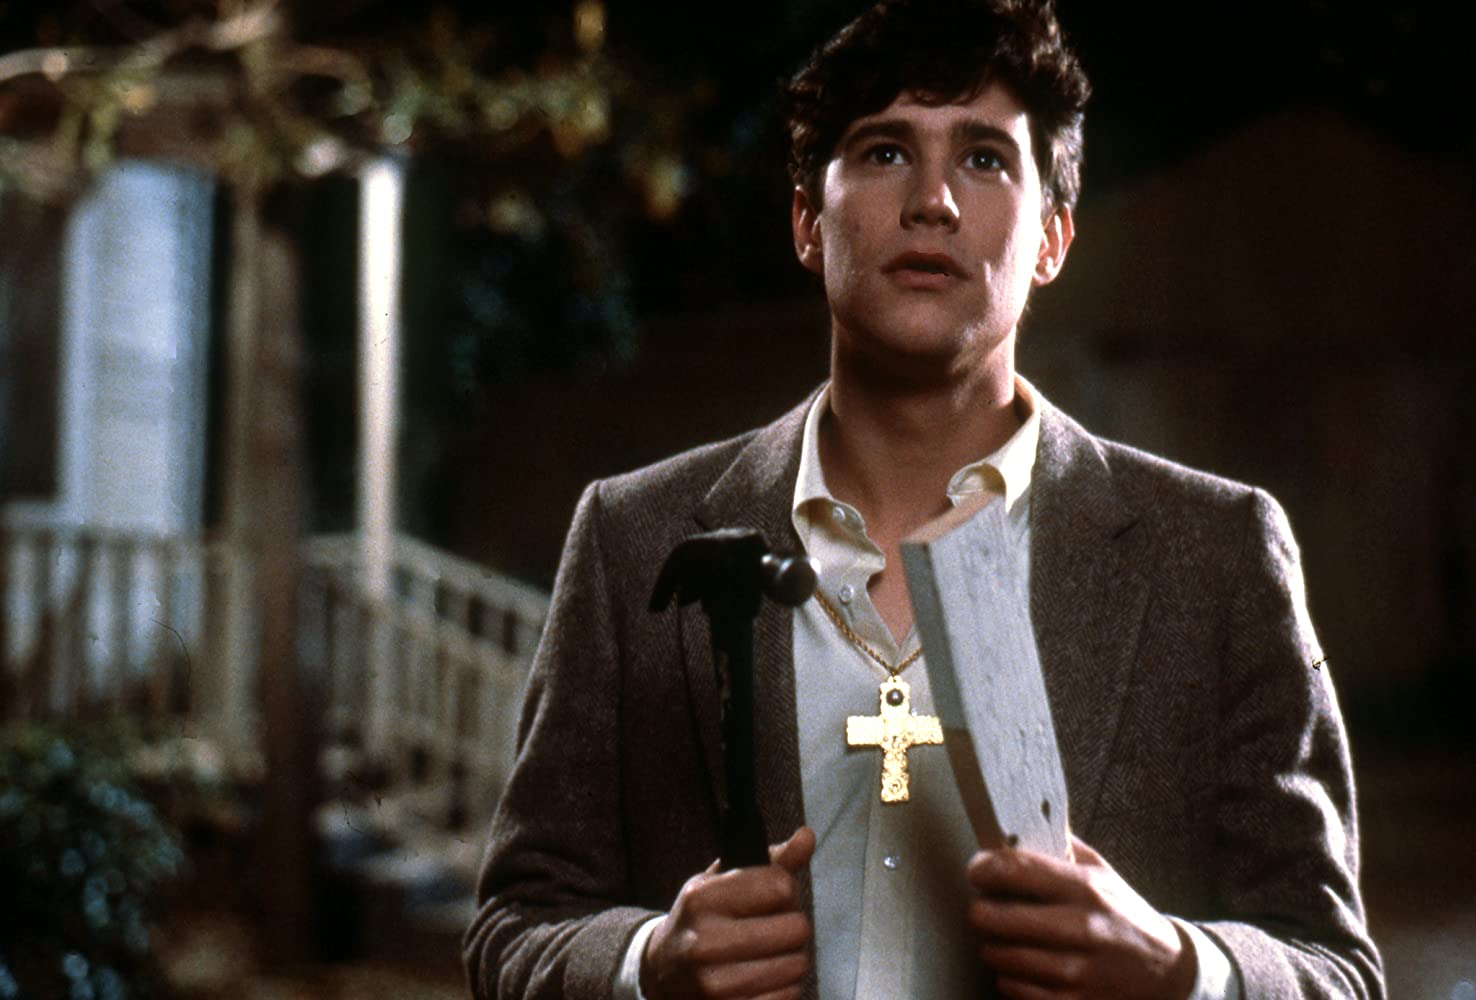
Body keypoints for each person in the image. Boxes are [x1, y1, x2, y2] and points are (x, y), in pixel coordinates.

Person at [463, 1, 1385, 997]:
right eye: (886, 152)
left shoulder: (1219, 553)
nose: (932, 201)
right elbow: (516, 925)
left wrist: (1177, 969)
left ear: (1052, 239)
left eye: (985, 159)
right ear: (808, 223)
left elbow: (1335, 968)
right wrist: (647, 965)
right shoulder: (630, 535)